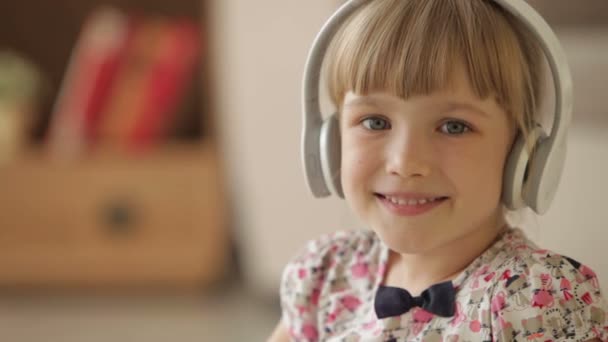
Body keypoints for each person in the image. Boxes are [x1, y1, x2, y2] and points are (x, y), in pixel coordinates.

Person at [268, 0, 608, 341]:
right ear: (330, 143)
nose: (405, 163)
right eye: (375, 122)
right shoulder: (324, 276)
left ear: (525, 156)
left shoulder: (536, 300)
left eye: (454, 127)